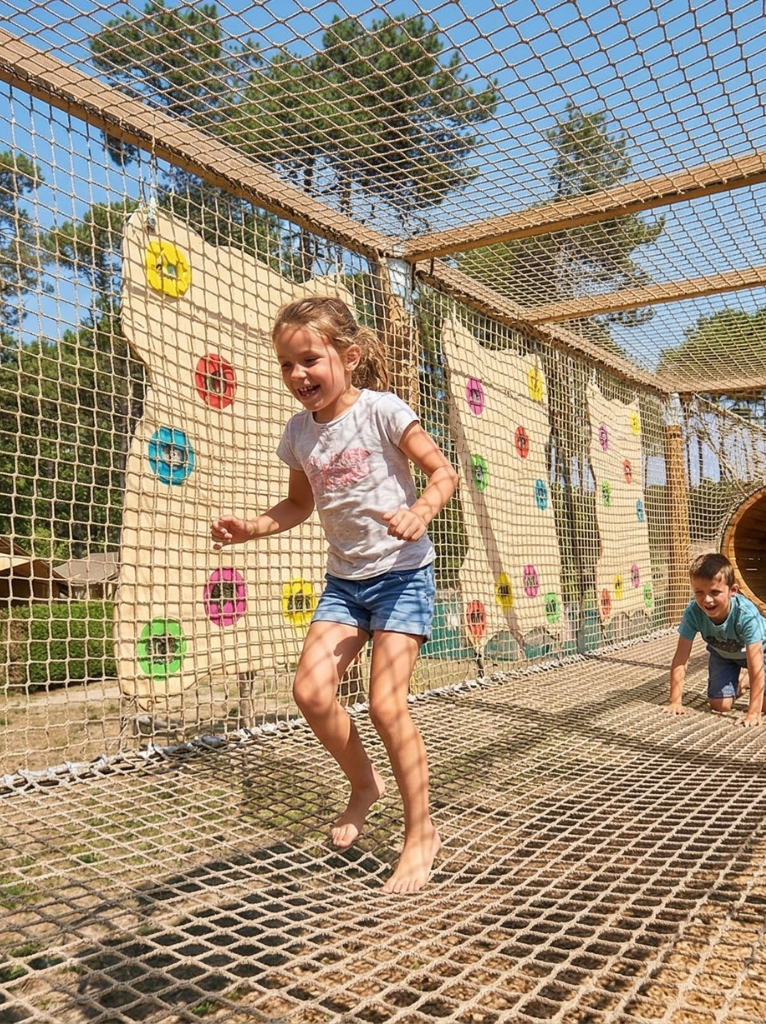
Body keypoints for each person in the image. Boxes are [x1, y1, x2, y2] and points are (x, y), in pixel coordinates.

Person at [211, 295, 458, 893]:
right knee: (311, 691)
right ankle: (363, 784)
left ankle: (420, 829)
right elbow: (299, 505)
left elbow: (442, 473)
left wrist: (421, 511)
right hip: (346, 584)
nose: (299, 375)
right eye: (287, 365)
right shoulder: (299, 434)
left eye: (309, 360)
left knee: (384, 704)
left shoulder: (382, 411)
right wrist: (251, 527)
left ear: (347, 357)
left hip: (402, 574)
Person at [664, 552, 766, 727]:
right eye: (699, 592)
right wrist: (675, 701)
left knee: (763, 706)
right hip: (724, 654)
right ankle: (742, 681)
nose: (707, 600)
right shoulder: (693, 612)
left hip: (760, 652)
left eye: (715, 592)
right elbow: (681, 657)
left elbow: (756, 665)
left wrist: (753, 713)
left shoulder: (746, 615)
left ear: (732, 590)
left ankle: (747, 678)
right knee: (720, 706)